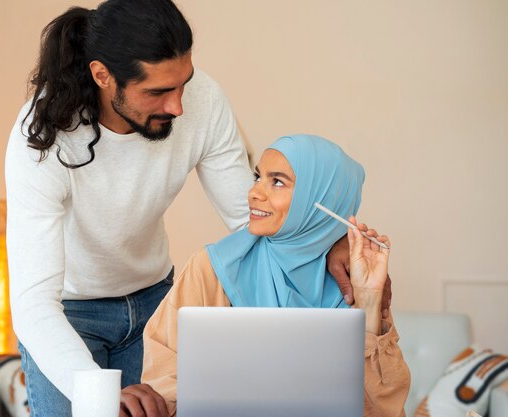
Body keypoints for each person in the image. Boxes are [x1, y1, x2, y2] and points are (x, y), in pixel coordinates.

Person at [4, 1, 388, 416]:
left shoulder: (203, 98)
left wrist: (324, 243)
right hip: (67, 313)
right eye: (157, 92)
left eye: (183, 83)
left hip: (155, 302)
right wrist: (94, 389)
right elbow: (34, 303)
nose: (178, 107)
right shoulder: (42, 138)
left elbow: (250, 219)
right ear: (103, 75)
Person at [142, 134, 411, 417]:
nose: (254, 192)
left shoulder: (355, 279)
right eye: (258, 176)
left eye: (278, 181)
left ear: (320, 199)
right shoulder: (212, 267)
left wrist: (369, 300)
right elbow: (162, 370)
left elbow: (383, 408)